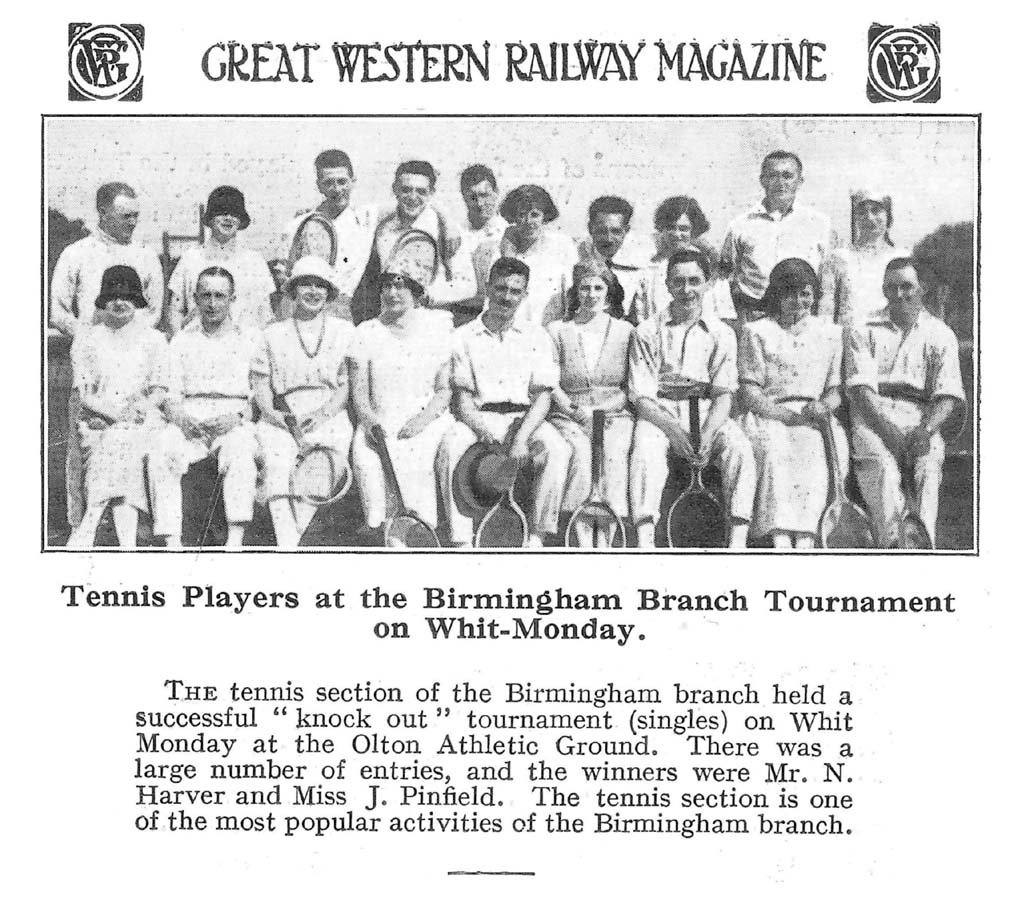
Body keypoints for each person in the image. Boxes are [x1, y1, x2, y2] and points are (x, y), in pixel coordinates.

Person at [436, 257, 575, 548]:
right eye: (500, 288)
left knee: (558, 449)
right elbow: (463, 399)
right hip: (479, 419)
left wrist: (521, 438)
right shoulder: (461, 337)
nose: (506, 297)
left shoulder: (537, 336)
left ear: (525, 295)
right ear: (488, 288)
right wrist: (485, 434)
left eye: (515, 291)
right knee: (450, 446)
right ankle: (461, 540)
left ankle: (536, 535)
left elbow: (543, 397)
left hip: (527, 419)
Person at [629, 248, 756, 549]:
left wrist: (709, 433)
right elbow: (641, 396)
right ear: (667, 285)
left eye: (694, 281)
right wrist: (673, 431)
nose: (686, 290)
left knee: (740, 448)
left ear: (708, 282)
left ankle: (737, 538)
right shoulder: (646, 330)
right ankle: (646, 538)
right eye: (678, 282)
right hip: (659, 412)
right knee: (645, 450)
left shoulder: (722, 332)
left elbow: (724, 393)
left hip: (708, 410)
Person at [844, 258, 965, 547]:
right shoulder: (863, 328)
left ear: (922, 288)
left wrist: (925, 431)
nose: (898, 294)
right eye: (891, 288)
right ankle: (892, 547)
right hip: (873, 414)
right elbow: (861, 392)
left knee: (928, 464)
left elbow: (948, 395)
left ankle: (922, 546)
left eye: (907, 287)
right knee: (882, 466)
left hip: (921, 416)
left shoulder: (940, 333)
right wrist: (889, 432)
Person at [148, 267, 260, 548]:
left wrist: (237, 417)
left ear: (232, 298)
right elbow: (169, 394)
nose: (212, 304)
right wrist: (180, 418)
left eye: (220, 296)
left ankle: (234, 540)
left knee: (240, 451)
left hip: (233, 418)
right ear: (195, 299)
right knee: (163, 447)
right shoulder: (182, 340)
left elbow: (259, 397)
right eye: (206, 296)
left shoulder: (250, 339)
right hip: (190, 416)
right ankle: (172, 540)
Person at [738, 258, 846, 548]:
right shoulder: (757, 331)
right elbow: (750, 391)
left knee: (813, 452)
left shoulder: (831, 333)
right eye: (789, 293)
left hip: (814, 416)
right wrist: (784, 415)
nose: (798, 301)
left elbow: (835, 390)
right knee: (774, 451)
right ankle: (781, 539)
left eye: (805, 293)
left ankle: (808, 539)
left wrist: (824, 407)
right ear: (777, 295)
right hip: (770, 414)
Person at [349, 242, 455, 537]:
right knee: (367, 460)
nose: (392, 293)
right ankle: (385, 535)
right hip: (378, 422)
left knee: (413, 458)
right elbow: (360, 395)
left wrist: (420, 422)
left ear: (417, 291)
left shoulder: (437, 328)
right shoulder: (366, 332)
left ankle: (416, 534)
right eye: (387, 286)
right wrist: (370, 424)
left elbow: (444, 390)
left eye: (402, 286)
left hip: (427, 421)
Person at [252, 257, 356, 547]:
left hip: (329, 412)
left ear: (329, 292)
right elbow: (260, 384)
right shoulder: (272, 333)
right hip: (282, 413)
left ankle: (293, 538)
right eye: (306, 284)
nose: (313, 291)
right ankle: (289, 545)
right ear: (293, 290)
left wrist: (324, 413)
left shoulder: (345, 331)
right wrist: (273, 415)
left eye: (320, 285)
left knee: (323, 464)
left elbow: (347, 384)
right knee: (278, 463)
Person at [66, 265, 167, 548]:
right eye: (113, 295)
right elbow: (84, 394)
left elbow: (160, 390)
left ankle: (91, 520)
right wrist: (114, 415)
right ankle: (126, 543)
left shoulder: (154, 339)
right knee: (118, 442)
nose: (120, 302)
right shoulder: (87, 339)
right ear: (102, 300)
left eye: (127, 295)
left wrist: (139, 410)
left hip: (143, 418)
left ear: (137, 300)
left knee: (123, 439)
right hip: (98, 417)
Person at [547, 260, 634, 545]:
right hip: (569, 415)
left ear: (608, 293)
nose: (591, 294)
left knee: (614, 453)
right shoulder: (558, 330)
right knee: (581, 455)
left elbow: (629, 387)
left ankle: (608, 535)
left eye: (598, 287)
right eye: (585, 288)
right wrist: (575, 411)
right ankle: (582, 534)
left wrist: (605, 410)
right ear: (576, 292)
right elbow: (551, 384)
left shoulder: (625, 331)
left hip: (614, 416)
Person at [719, 150, 835, 323]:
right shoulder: (740, 226)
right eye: (773, 176)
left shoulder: (820, 224)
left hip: (804, 319)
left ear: (800, 181)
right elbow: (725, 276)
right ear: (762, 180)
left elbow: (828, 280)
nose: (780, 183)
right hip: (755, 317)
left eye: (787, 176)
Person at [357, 160, 474, 324]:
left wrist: (426, 295)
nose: (413, 197)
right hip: (392, 323)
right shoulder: (382, 228)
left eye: (421, 191)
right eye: (406, 190)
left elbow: (468, 286)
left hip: (432, 321)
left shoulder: (446, 230)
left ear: (431, 192)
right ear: (395, 189)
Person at [50, 182, 164, 338]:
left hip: (136, 353)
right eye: (126, 216)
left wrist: (129, 341)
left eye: (135, 215)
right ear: (103, 213)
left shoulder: (147, 256)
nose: (132, 222)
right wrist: (88, 340)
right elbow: (58, 312)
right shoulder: (75, 254)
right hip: (91, 352)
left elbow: (154, 312)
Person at [281, 149, 380, 321]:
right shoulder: (298, 225)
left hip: (344, 312)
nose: (337, 189)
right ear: (319, 185)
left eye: (342, 182)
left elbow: (415, 204)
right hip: (305, 310)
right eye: (329, 183)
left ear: (353, 181)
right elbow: (285, 276)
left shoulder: (367, 218)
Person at [167, 186, 275, 334]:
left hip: (244, 347)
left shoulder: (255, 262)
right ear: (210, 219)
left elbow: (265, 315)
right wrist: (177, 343)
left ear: (241, 221)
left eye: (234, 214)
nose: (228, 218)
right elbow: (176, 310)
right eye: (221, 212)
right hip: (197, 346)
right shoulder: (191, 258)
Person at [473, 185, 576, 327]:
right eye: (521, 215)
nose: (528, 222)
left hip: (549, 331)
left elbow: (571, 299)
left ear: (544, 216)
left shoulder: (562, 246)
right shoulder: (498, 250)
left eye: (534, 215)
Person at [820, 189, 910, 325]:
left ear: (888, 216)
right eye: (862, 212)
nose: (869, 217)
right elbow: (826, 311)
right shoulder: (838, 258)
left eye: (876, 210)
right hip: (849, 338)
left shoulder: (903, 258)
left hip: (892, 338)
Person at [650, 196, 736, 323]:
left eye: (684, 229)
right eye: (670, 227)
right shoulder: (653, 269)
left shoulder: (711, 267)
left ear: (694, 230)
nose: (677, 234)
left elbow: (725, 316)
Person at [578, 196, 658, 325]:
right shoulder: (577, 262)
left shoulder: (639, 269)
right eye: (601, 231)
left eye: (616, 231)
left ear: (626, 231)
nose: (608, 239)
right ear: (590, 228)